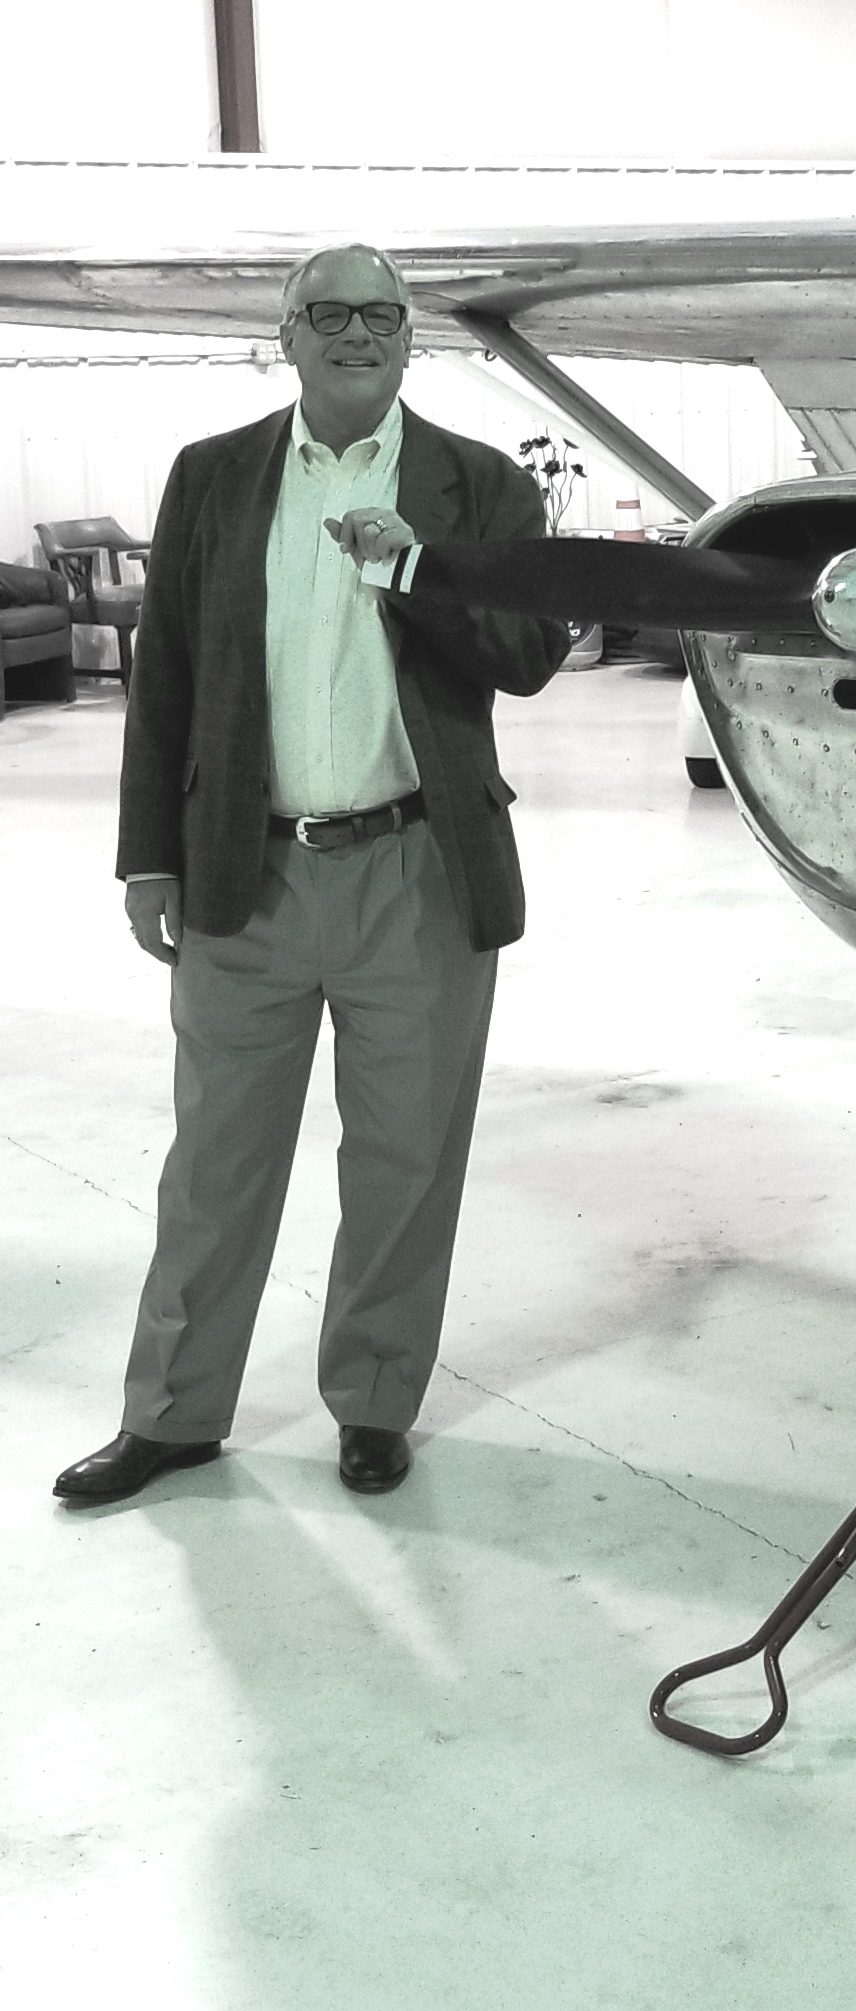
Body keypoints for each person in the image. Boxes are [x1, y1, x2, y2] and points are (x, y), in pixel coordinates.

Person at [54, 243, 566, 1507]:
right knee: (214, 1162)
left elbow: (531, 652)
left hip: (419, 873)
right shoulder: (215, 477)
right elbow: (161, 676)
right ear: (284, 336)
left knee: (403, 1162)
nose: (356, 333)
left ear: (408, 339)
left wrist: (414, 568)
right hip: (247, 872)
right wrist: (145, 858)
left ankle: (375, 1400)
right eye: (326, 313)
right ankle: (173, 1415)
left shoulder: (479, 486)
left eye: (379, 315)